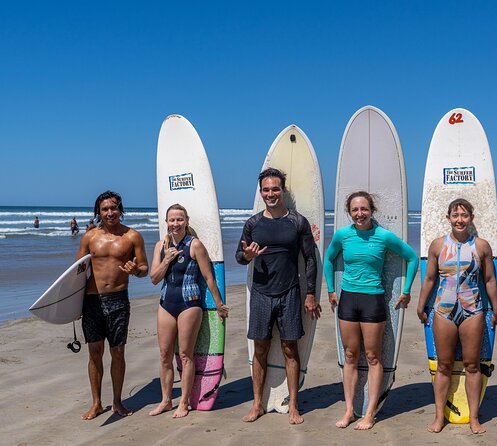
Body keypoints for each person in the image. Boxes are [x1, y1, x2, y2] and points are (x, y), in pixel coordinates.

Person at [324, 191, 419, 430]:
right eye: (355, 210)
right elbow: (328, 258)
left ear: (372, 210)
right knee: (349, 356)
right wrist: (330, 290)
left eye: (364, 209)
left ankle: (369, 413)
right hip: (348, 299)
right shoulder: (343, 235)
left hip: (373, 299)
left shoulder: (384, 236)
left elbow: (412, 257)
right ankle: (349, 411)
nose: (359, 214)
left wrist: (406, 290)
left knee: (374, 356)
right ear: (349, 212)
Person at [235, 168, 321, 425]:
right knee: (259, 349)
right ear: (260, 192)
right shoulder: (252, 224)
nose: (270, 193)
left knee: (289, 348)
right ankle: (257, 404)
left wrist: (310, 295)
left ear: (282, 190)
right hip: (261, 293)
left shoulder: (298, 222)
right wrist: (248, 257)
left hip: (289, 293)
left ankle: (293, 405)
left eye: (275, 189)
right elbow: (240, 257)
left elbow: (310, 260)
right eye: (266, 189)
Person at [416, 198, 497, 434]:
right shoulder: (437, 245)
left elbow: (489, 280)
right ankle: (438, 417)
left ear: (471, 218)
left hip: (472, 310)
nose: (460, 220)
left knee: (472, 365)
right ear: (448, 218)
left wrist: (496, 308)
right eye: (455, 215)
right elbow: (430, 279)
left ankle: (474, 418)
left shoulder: (482, 246)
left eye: (464, 215)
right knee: (443, 365)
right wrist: (421, 305)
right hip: (443, 310)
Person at [149, 204, 228, 418]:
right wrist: (166, 260)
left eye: (179, 219)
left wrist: (219, 304)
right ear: (166, 222)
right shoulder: (160, 246)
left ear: (187, 221)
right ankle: (166, 401)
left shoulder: (195, 245)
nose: (175, 224)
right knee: (165, 355)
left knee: (185, 355)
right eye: (172, 220)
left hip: (189, 304)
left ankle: (184, 402)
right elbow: (154, 278)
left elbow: (209, 278)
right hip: (166, 303)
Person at [75, 191, 149, 420]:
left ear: (121, 209)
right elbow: (77, 271)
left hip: (118, 300)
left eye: (114, 208)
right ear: (98, 212)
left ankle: (117, 402)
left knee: (117, 351)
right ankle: (96, 403)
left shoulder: (132, 236)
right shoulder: (89, 237)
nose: (110, 213)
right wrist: (70, 304)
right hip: (92, 301)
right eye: (105, 209)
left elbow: (144, 268)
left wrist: (135, 270)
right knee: (94, 352)